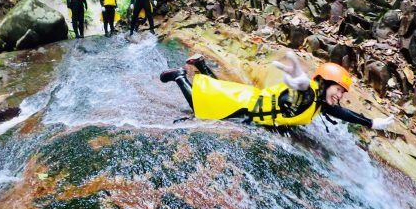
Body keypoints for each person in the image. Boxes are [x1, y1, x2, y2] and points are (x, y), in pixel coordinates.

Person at [160, 52, 394, 130]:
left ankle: (201, 66)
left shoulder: (321, 101)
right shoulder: (308, 93)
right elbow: (299, 91)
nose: (340, 96)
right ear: (322, 83)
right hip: (246, 109)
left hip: (251, 101)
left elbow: (342, 113)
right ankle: (179, 77)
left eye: (343, 92)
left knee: (216, 88)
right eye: (338, 89)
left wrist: (370, 123)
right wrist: (300, 84)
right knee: (201, 107)